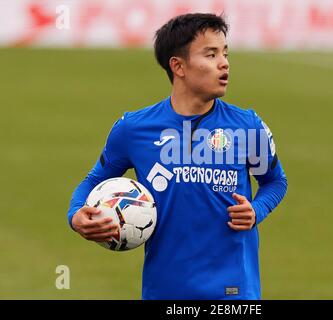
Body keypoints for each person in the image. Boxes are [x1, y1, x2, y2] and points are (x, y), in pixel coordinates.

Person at [67, 13, 288, 300]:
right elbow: (94, 180)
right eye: (211, 54)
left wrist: (256, 210)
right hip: (165, 291)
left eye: (225, 53)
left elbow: (275, 182)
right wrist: (76, 217)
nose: (224, 63)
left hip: (234, 291)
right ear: (178, 66)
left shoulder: (247, 126)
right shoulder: (134, 129)